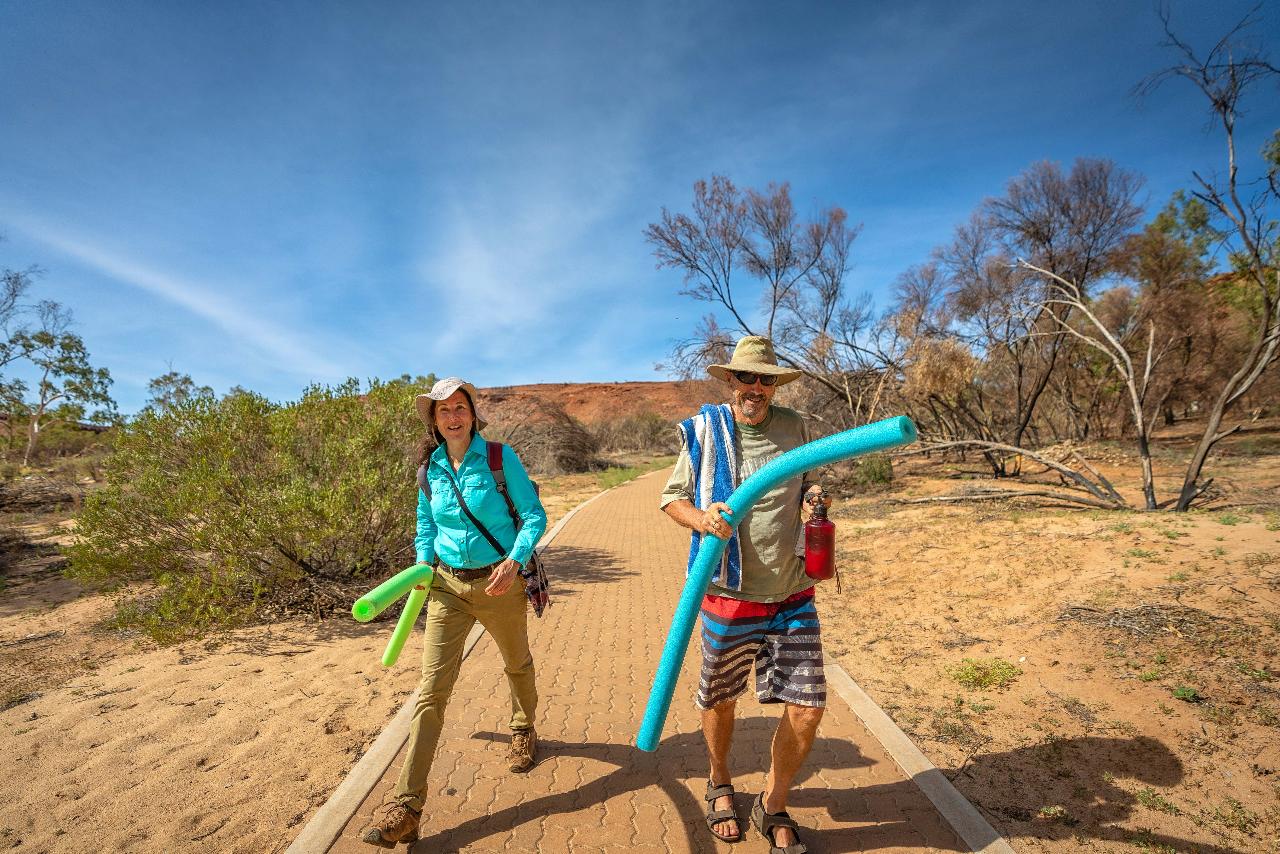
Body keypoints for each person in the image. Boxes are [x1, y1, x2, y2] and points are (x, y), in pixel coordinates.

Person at [660, 336, 830, 854]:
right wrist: (702, 517)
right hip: (728, 594)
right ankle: (720, 781)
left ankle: (773, 805)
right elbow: (672, 499)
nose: (756, 388)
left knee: (808, 706)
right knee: (719, 697)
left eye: (765, 379)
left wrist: (816, 500)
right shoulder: (705, 431)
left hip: (791, 593)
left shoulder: (795, 428)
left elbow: (811, 482)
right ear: (731, 381)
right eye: (746, 378)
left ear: (774, 384)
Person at [361, 377, 547, 849]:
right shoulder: (431, 468)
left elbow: (534, 516)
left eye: (459, 407)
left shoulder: (500, 459)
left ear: (472, 413)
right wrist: (424, 563)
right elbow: (425, 524)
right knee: (430, 692)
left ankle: (523, 728)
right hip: (447, 586)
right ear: (434, 420)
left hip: (498, 582)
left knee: (516, 663)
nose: (452, 416)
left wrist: (515, 560)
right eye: (443, 410)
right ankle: (406, 806)